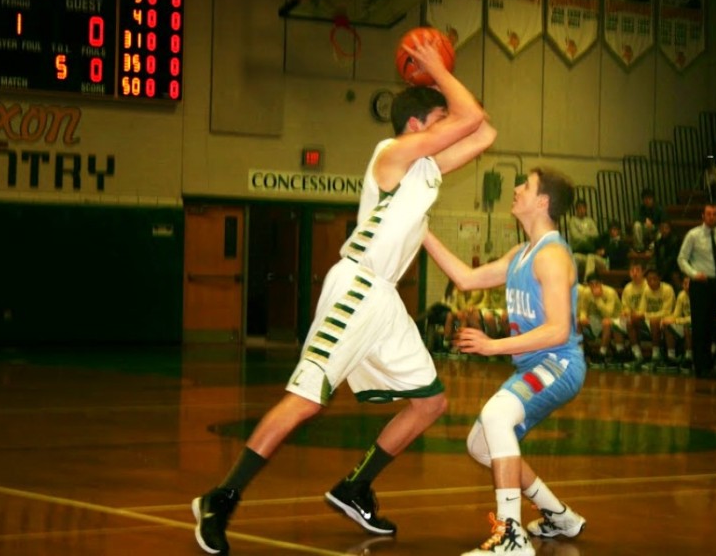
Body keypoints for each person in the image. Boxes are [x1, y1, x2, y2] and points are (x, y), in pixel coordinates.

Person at [191, 37, 498, 554]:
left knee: (430, 402)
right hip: (356, 287)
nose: (451, 124)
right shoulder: (393, 154)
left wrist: (435, 75)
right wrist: (435, 72)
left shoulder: (426, 170)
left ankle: (354, 486)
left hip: (384, 301)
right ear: (418, 125)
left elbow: (482, 129)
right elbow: (470, 118)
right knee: (305, 400)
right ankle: (220, 499)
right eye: (440, 118)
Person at [422, 168, 586, 556]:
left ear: (542, 202)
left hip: (559, 362)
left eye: (524, 186)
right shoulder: (521, 254)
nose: (515, 189)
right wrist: (422, 232)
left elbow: (559, 330)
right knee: (481, 445)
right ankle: (557, 514)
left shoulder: (551, 257)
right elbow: (465, 278)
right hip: (535, 366)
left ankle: (511, 537)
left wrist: (493, 345)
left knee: (496, 417)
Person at [677, 203, 716, 378]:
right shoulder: (693, 235)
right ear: (702, 216)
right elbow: (682, 259)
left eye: (715, 214)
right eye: (708, 214)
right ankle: (699, 366)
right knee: (699, 325)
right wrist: (693, 274)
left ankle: (707, 363)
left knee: (710, 325)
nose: (712, 217)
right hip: (700, 283)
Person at [627, 268, 675, 369]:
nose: (651, 282)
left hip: (667, 320)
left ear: (660, 278)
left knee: (654, 321)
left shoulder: (667, 289)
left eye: (654, 279)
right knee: (631, 321)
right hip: (651, 319)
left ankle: (656, 356)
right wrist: (635, 314)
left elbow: (667, 312)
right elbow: (641, 309)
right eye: (649, 280)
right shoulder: (646, 290)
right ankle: (638, 356)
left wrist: (645, 315)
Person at [577, 271, 622, 366]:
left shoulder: (610, 292)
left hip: (615, 320)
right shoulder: (586, 292)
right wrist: (583, 318)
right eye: (591, 284)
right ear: (588, 285)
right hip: (596, 320)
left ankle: (602, 354)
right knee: (578, 322)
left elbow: (608, 314)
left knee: (606, 322)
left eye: (596, 283)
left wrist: (598, 298)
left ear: (601, 283)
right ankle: (581, 354)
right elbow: (583, 310)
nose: (594, 286)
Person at [661, 276, 693, 368]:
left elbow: (696, 317)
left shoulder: (699, 295)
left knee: (686, 326)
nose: (687, 286)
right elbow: (676, 314)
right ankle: (671, 357)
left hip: (699, 325)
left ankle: (688, 357)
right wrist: (666, 319)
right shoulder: (681, 295)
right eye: (685, 283)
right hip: (685, 323)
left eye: (689, 283)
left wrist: (676, 320)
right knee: (667, 325)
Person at [567, 199, 605, 276]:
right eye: (579, 208)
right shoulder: (572, 221)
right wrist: (588, 235)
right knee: (574, 258)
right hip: (578, 252)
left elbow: (595, 235)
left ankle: (587, 282)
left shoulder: (590, 221)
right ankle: (573, 282)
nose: (582, 210)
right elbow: (576, 237)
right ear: (576, 209)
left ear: (586, 209)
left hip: (591, 253)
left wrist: (582, 233)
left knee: (590, 258)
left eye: (583, 208)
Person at [632, 188, 665, 252]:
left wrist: (653, 226)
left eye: (649, 199)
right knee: (636, 225)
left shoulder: (659, 209)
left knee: (661, 231)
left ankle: (655, 247)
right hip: (645, 229)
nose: (647, 201)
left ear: (653, 199)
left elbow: (663, 221)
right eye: (645, 199)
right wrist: (645, 220)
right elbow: (635, 217)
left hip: (656, 229)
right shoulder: (640, 208)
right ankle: (639, 247)